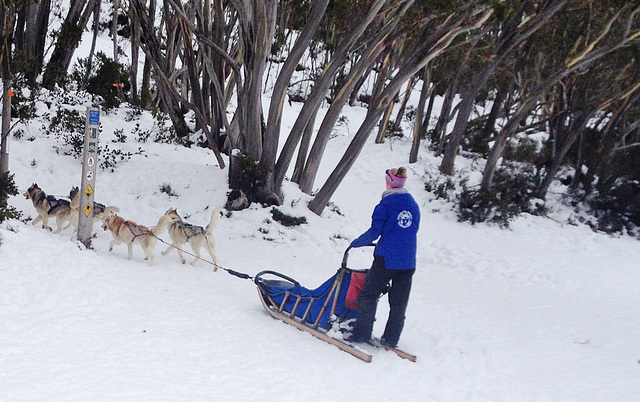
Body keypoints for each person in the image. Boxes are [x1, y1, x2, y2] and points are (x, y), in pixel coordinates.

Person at [346, 167, 420, 348]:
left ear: (389, 182)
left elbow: (375, 231)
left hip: (386, 259)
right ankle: (391, 339)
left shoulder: (384, 206)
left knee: (369, 296)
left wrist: (356, 242)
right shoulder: (413, 205)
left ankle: (361, 335)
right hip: (408, 262)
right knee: (399, 303)